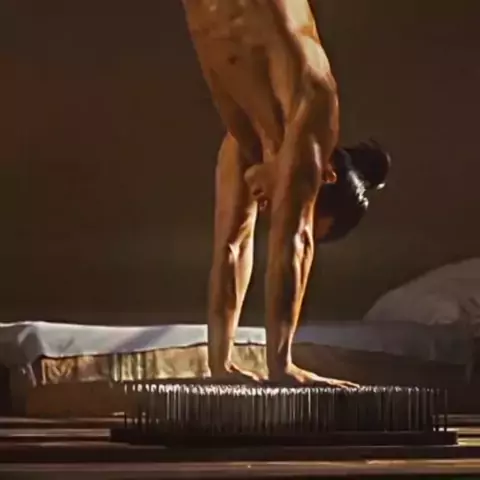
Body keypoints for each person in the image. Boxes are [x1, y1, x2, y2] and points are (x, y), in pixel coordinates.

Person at [181, 0, 368, 385]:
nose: (271, 210)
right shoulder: (314, 104)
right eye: (293, 200)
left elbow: (232, 247)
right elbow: (296, 241)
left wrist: (220, 365)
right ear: (323, 174)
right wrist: (282, 367)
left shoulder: (249, 135)